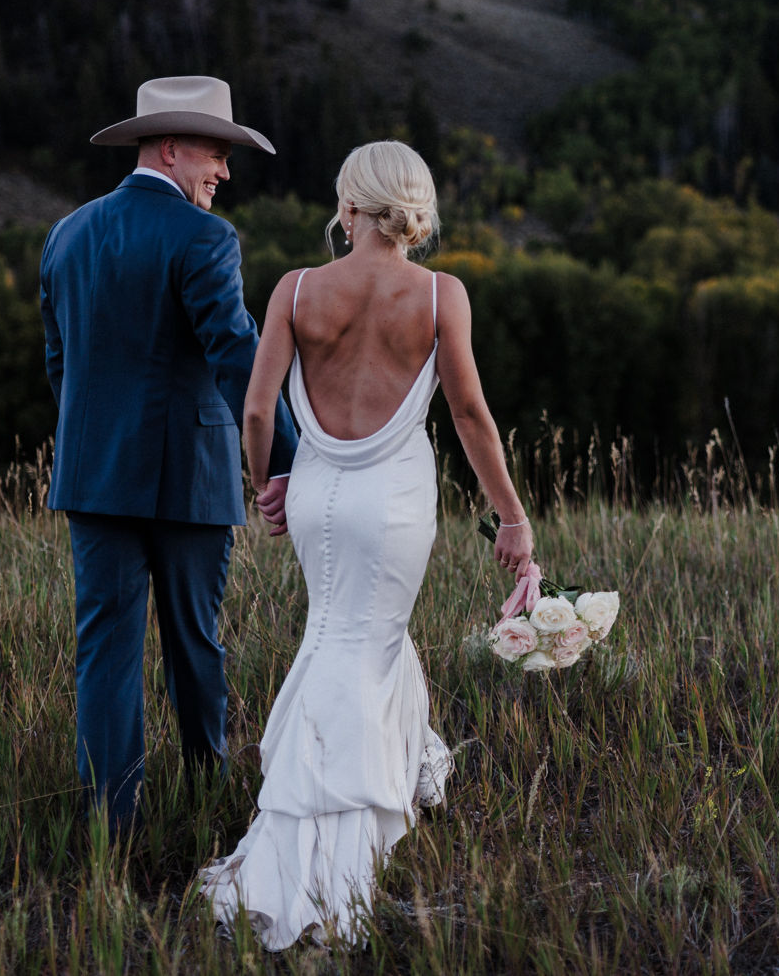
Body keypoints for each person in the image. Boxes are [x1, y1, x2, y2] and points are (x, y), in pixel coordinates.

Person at [200, 140, 533, 949]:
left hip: (315, 492)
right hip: (392, 503)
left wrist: (269, 481)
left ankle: (405, 779)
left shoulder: (297, 289)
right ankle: (327, 857)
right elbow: (469, 417)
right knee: (366, 641)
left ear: (350, 208)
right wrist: (513, 518)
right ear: (410, 210)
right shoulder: (440, 294)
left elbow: (254, 409)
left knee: (342, 637)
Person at [39, 75, 301, 834]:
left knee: (105, 653)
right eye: (217, 155)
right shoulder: (205, 238)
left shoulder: (67, 234)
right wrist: (288, 458)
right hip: (191, 475)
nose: (224, 172)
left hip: (93, 476)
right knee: (195, 641)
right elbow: (236, 355)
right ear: (174, 148)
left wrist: (96, 439)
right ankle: (208, 794)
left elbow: (60, 365)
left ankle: (110, 824)